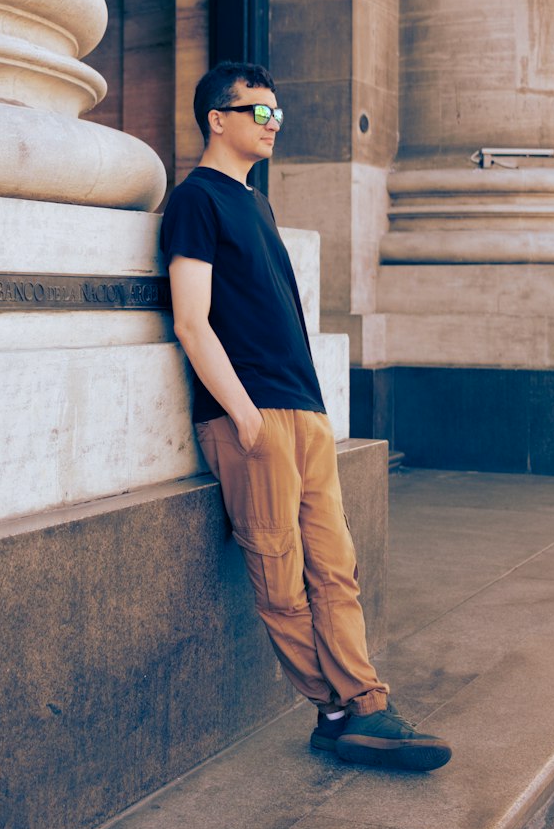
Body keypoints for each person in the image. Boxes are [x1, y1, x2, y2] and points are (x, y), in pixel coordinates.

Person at [160, 62, 451, 772]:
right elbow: (192, 320)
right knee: (279, 574)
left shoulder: (254, 203)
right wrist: (242, 412)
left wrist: (310, 408)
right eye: (260, 114)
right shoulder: (196, 201)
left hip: (306, 410)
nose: (273, 126)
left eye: (278, 116)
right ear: (217, 120)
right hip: (252, 415)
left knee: (335, 569)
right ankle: (332, 713)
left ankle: (370, 705)